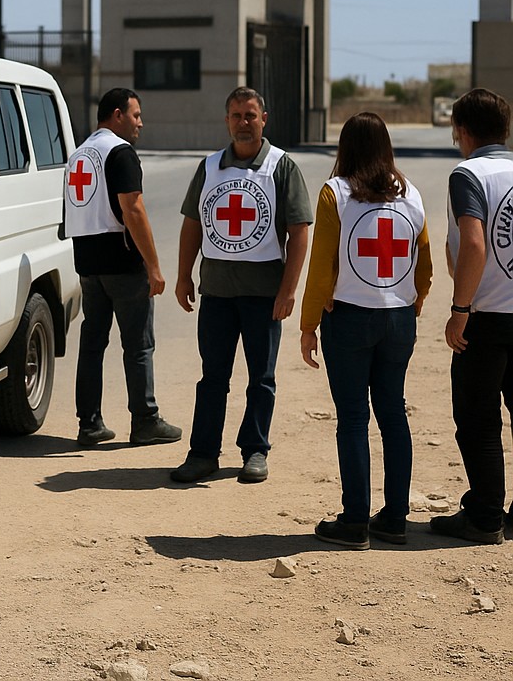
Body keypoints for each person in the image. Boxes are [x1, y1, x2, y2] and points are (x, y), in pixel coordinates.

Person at [300, 113, 432, 549]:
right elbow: (424, 261)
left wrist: (308, 324)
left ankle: (355, 520)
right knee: (393, 413)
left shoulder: (334, 193)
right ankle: (395, 518)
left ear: (346, 147)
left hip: (351, 318)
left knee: (354, 417)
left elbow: (321, 269)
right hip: (399, 318)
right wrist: (414, 300)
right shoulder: (411, 193)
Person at [171, 86, 311, 484]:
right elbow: (192, 224)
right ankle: (202, 455)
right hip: (216, 294)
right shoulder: (210, 166)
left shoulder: (282, 167)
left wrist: (288, 291)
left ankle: (254, 451)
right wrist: (184, 275)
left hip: (263, 297)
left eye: (250, 115)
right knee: (212, 378)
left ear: (263, 119)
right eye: (236, 116)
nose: (243, 123)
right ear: (227, 121)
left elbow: (299, 232)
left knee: (260, 379)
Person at [64, 87, 181, 447]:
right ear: (117, 114)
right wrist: (154, 266)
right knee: (139, 345)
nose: (140, 123)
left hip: (88, 264)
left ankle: (90, 424)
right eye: (135, 115)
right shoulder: (119, 152)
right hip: (122, 263)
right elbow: (133, 209)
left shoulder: (78, 155)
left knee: (92, 343)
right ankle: (145, 421)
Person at [430, 87, 513, 546]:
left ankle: (484, 517)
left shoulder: (468, 174)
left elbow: (477, 243)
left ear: (461, 131)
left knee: (479, 420)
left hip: (486, 317)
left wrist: (459, 310)